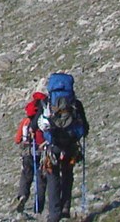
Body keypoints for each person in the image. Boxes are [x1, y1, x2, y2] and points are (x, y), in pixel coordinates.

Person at [36, 72, 89, 222]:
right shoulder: (75, 104)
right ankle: (66, 208)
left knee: (53, 178)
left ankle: (54, 214)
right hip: (71, 145)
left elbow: (35, 125)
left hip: (52, 146)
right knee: (67, 175)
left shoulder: (47, 103)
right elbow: (85, 127)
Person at [12, 90, 47, 213]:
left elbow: (17, 140)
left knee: (26, 176)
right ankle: (39, 207)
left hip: (27, 153)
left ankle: (23, 195)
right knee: (41, 180)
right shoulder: (44, 119)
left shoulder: (26, 121)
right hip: (42, 152)